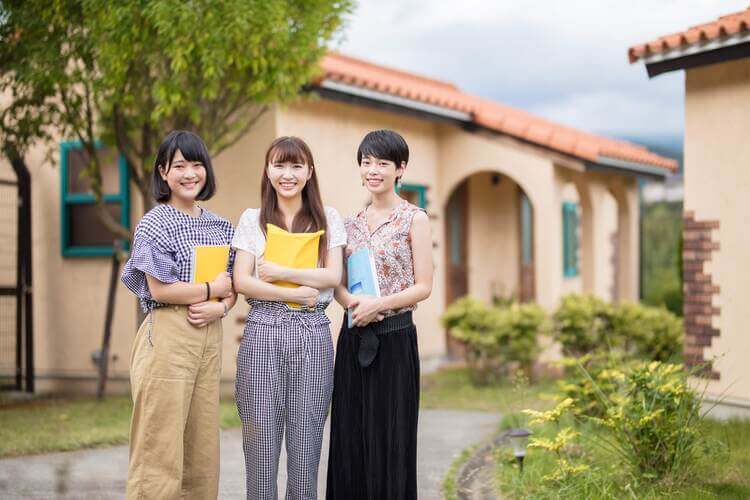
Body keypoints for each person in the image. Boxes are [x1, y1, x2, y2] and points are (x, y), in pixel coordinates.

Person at [121, 130, 236, 499]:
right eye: (180, 166)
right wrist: (209, 291)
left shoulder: (220, 226)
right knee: (159, 446)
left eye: (197, 164)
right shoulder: (156, 222)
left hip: (209, 337)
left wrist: (221, 305)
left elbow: (232, 286)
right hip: (168, 334)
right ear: (163, 173)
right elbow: (159, 288)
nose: (190, 174)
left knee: (202, 448)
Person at [232, 136, 346, 499]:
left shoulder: (328, 219)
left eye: (296, 166)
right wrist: (293, 293)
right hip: (263, 331)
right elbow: (243, 281)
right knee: (261, 448)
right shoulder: (253, 220)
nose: (288, 174)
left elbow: (332, 277)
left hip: (313, 332)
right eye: (280, 165)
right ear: (268, 170)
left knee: (306, 448)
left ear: (309, 172)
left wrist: (279, 271)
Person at [327, 129, 434, 500]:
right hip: (354, 335)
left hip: (395, 338)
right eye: (366, 162)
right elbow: (336, 282)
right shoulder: (348, 222)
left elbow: (424, 286)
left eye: (382, 163)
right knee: (351, 434)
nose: (373, 169)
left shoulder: (414, 219)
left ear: (400, 168)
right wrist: (350, 303)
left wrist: (380, 305)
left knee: (392, 436)